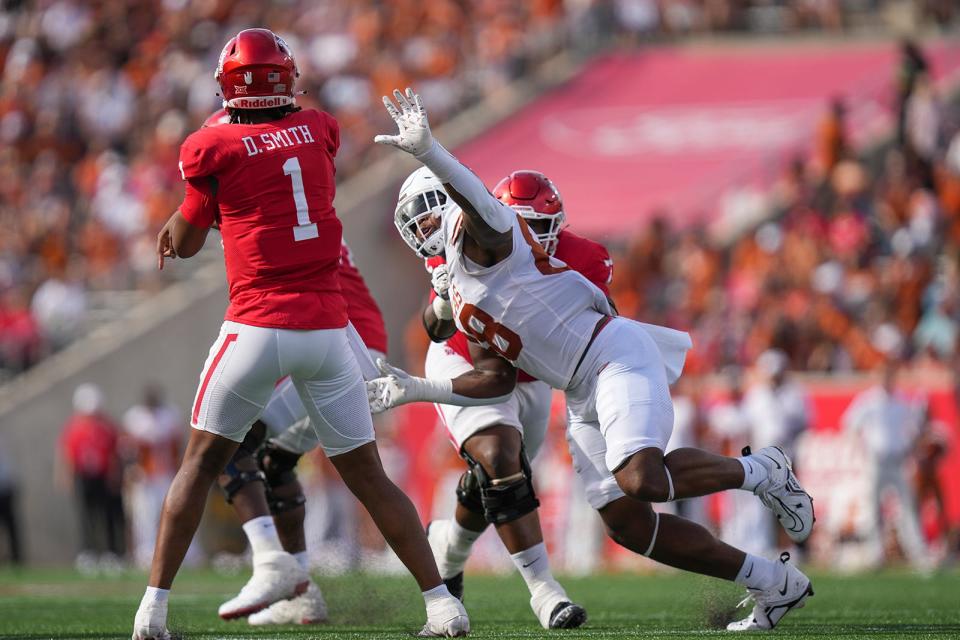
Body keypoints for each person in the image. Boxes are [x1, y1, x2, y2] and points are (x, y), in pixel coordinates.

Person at [369, 88, 816, 632]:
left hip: (610, 357)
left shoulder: (495, 236)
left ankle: (760, 469)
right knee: (628, 525)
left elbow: (480, 202)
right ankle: (773, 583)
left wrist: (430, 151)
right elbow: (493, 379)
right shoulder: (457, 294)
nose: (429, 226)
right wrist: (419, 389)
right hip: (578, 388)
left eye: (439, 209)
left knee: (639, 477)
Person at [131, 32, 467, 640]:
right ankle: (443, 606)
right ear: (285, 78)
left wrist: (182, 216)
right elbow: (284, 167)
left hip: (255, 327)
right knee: (367, 476)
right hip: (327, 330)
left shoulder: (213, 146)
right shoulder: (319, 130)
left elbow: (184, 243)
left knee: (200, 463)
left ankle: (153, 613)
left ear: (229, 85)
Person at [187, 109, 387, 626]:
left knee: (234, 445)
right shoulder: (303, 208)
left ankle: (283, 571)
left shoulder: (276, 221)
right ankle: (299, 587)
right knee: (275, 461)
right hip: (350, 344)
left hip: (341, 346)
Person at [416, 170, 612, 628]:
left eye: (539, 228)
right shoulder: (467, 238)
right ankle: (545, 592)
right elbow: (436, 326)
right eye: (517, 226)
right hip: (468, 364)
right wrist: (444, 302)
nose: (529, 240)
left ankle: (450, 547)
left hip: (532, 376)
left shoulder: (587, 258)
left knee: (503, 476)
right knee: (500, 457)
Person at [842, 360, 931, 570]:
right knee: (873, 508)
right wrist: (861, 448)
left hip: (898, 460)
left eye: (890, 375)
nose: (887, 379)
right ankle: (875, 554)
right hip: (877, 460)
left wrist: (910, 447)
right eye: (884, 375)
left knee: (907, 507)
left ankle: (918, 553)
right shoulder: (869, 400)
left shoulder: (901, 401)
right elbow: (850, 423)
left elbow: (913, 428)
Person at [57, 384, 125, 566]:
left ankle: (112, 552)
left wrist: (114, 475)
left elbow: (113, 454)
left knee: (108, 515)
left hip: (103, 476)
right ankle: (89, 551)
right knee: (86, 516)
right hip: (84, 477)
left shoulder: (107, 426)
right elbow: (68, 453)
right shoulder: (74, 427)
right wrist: (67, 475)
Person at [122, 385, 185, 570]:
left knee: (172, 511)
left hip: (167, 473)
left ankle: (178, 552)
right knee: (145, 516)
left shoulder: (170, 415)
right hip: (145, 475)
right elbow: (127, 448)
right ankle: (145, 554)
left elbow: (177, 444)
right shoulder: (134, 418)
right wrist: (133, 469)